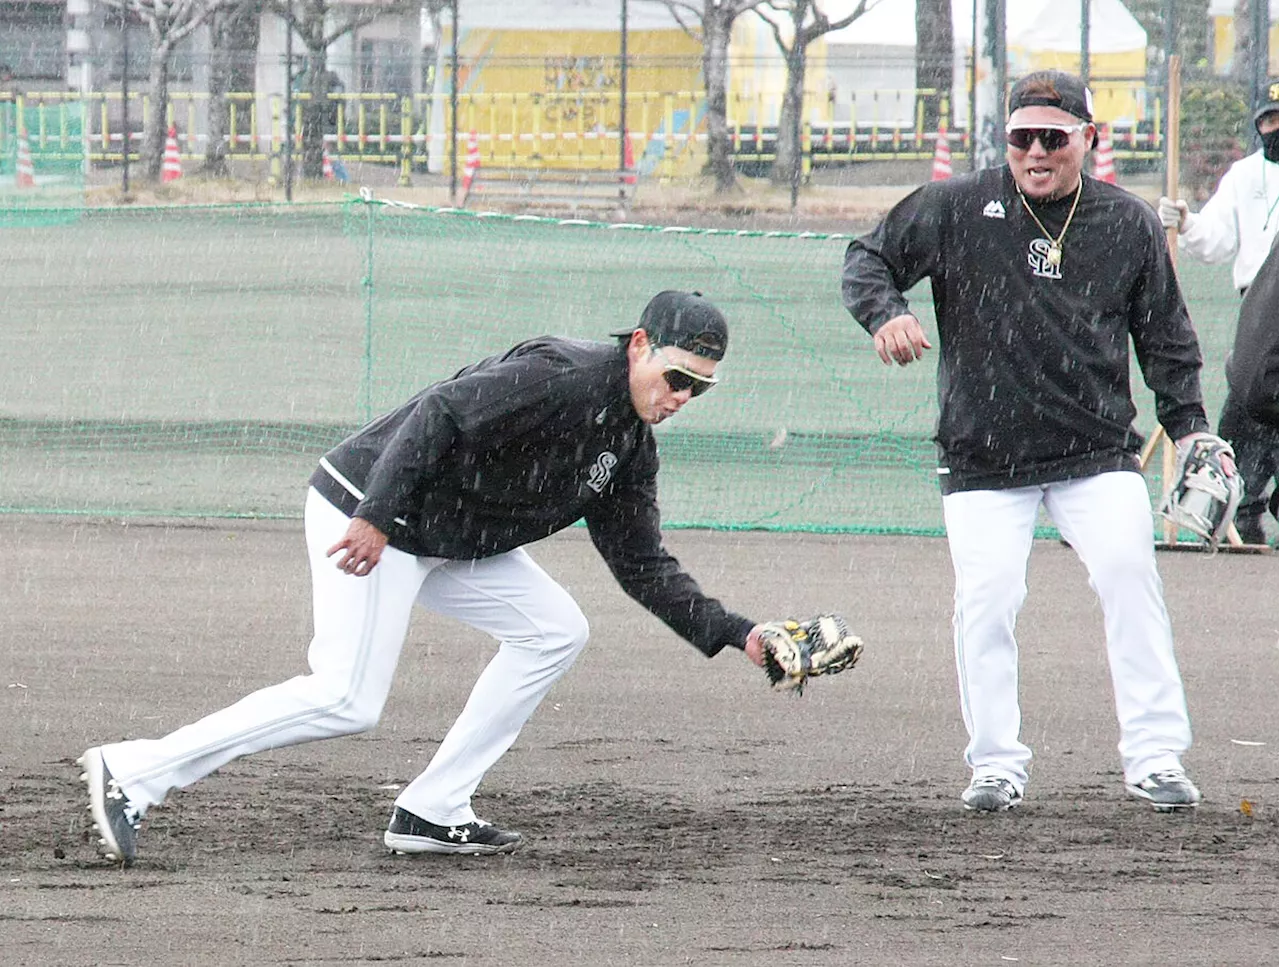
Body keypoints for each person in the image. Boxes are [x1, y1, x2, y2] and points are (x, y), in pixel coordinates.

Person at [79, 290, 772, 865]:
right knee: (347, 696)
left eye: (700, 386)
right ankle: (138, 771)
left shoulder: (628, 448)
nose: (683, 394)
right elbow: (439, 411)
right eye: (676, 376)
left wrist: (738, 634)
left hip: (446, 537)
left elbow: (644, 566)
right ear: (639, 344)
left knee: (556, 629)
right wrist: (377, 513)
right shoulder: (563, 376)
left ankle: (434, 807)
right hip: (372, 512)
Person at [841, 70, 1220, 814]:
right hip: (984, 450)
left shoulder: (1127, 222)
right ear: (1006, 141)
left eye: (1054, 137)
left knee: (1127, 576)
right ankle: (995, 763)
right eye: (1022, 138)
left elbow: (1167, 340)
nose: (1037, 152)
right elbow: (868, 259)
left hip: (1096, 447)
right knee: (986, 600)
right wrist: (884, 312)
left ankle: (1154, 755)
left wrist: (1192, 426)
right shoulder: (957, 206)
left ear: (1089, 139)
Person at [1158, 79, 1280, 546]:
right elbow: (1216, 241)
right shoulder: (1245, 175)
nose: (1275, 128)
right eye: (1269, 119)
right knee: (1250, 393)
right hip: (1258, 303)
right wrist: (1187, 222)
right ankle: (1239, 509)